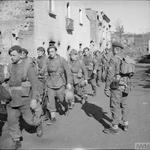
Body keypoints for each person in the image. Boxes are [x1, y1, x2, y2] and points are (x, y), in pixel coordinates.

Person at [6, 45, 43, 149]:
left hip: (25, 99)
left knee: (30, 121)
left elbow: (34, 84)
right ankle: (16, 139)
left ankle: (38, 124)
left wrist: (34, 99)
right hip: (12, 99)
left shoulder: (27, 67)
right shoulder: (9, 66)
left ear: (20, 54)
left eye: (13, 55)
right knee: (12, 120)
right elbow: (6, 81)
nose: (11, 57)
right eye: (10, 55)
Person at [104, 42, 130, 134]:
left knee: (114, 105)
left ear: (115, 49)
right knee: (124, 105)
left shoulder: (113, 59)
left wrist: (106, 88)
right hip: (126, 85)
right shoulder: (125, 58)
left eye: (112, 48)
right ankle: (125, 124)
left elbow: (110, 75)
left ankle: (115, 127)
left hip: (116, 85)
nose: (112, 50)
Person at [44, 45, 72, 124]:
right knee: (51, 101)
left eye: (52, 51)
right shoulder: (47, 60)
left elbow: (68, 72)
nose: (51, 53)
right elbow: (45, 70)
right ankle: (53, 118)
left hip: (60, 83)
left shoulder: (62, 60)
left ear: (56, 51)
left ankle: (66, 107)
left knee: (61, 99)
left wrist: (69, 83)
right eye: (49, 52)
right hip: (50, 84)